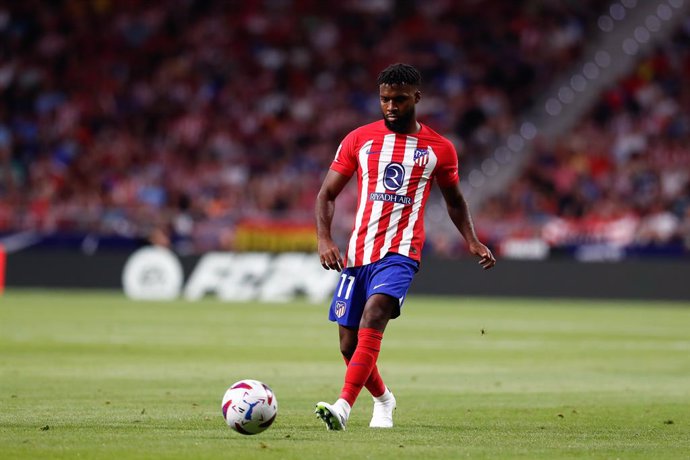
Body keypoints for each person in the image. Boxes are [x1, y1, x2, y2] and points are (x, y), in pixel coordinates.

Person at [313, 63, 496, 431]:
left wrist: (472, 240)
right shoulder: (359, 140)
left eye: (398, 99)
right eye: (384, 99)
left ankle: (343, 407)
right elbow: (327, 194)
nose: (391, 106)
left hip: (401, 253)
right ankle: (384, 399)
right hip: (358, 253)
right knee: (349, 347)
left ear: (417, 97)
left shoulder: (439, 149)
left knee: (375, 314)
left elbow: (455, 201)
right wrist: (324, 238)